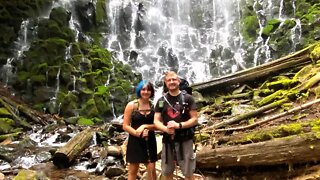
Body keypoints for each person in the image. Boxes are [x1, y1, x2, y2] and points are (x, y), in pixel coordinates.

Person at [154, 71, 198, 180]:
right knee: (167, 171)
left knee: (188, 171)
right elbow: (156, 121)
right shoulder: (161, 101)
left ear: (178, 81)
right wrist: (165, 129)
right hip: (168, 140)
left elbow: (194, 119)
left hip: (185, 138)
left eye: (174, 79)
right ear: (165, 82)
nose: (172, 82)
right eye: (169, 80)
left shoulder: (188, 99)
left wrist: (179, 125)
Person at [122, 80, 157, 180]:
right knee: (133, 170)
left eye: (148, 90)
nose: (146, 92)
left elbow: (158, 125)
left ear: (151, 92)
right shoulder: (132, 105)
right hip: (135, 140)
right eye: (143, 89)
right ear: (139, 91)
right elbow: (125, 125)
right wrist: (137, 133)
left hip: (150, 140)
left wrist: (146, 127)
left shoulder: (153, 106)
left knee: (152, 170)